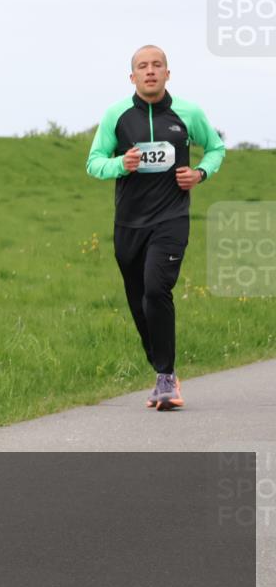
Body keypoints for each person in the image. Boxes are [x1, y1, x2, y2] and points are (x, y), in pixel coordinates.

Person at [86, 45, 225, 411]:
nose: (150, 71)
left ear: (167, 73)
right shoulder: (116, 115)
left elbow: (215, 148)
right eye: (142, 67)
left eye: (157, 65)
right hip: (129, 223)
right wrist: (121, 164)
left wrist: (199, 173)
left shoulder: (188, 113)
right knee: (138, 300)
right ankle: (162, 372)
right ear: (132, 77)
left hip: (171, 219)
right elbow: (94, 163)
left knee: (155, 289)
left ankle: (166, 377)